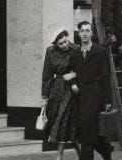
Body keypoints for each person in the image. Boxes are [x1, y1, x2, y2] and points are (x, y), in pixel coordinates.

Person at [70, 21, 113, 160]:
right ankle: (106, 151)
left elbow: (107, 77)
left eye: (87, 31)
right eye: (82, 31)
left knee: (87, 135)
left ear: (92, 33)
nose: (84, 33)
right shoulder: (75, 54)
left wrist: (107, 100)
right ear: (78, 33)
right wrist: (73, 83)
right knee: (91, 133)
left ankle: (98, 153)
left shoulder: (100, 51)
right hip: (80, 97)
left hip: (96, 95)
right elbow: (69, 73)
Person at [41, 29, 80, 160]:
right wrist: (44, 97)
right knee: (60, 119)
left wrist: (74, 76)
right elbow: (46, 75)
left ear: (67, 38)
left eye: (65, 41)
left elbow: (84, 69)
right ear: (55, 44)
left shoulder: (76, 49)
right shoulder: (50, 51)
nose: (64, 45)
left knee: (62, 117)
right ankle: (80, 152)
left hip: (72, 89)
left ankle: (60, 155)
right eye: (60, 43)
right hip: (56, 88)